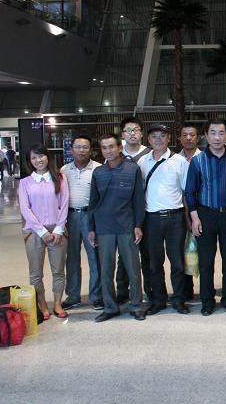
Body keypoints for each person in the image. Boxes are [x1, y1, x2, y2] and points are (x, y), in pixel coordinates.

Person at [185, 118, 226, 316]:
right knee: (206, 261)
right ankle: (207, 301)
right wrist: (195, 218)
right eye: (213, 133)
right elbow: (190, 191)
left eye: (221, 133)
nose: (217, 137)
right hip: (205, 215)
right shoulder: (198, 160)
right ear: (206, 136)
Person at [89, 134, 147, 322]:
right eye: (104, 148)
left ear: (119, 147)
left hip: (126, 226)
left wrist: (138, 225)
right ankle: (110, 307)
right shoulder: (98, 172)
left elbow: (138, 200)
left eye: (111, 147)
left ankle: (136, 305)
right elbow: (93, 202)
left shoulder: (132, 169)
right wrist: (91, 228)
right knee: (106, 270)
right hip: (104, 227)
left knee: (133, 269)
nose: (108, 151)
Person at [138, 123, 190, 315]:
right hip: (151, 219)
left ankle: (179, 299)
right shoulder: (142, 161)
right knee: (154, 262)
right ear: (148, 140)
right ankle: (158, 300)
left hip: (175, 218)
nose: (158, 139)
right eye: (154, 136)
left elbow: (186, 193)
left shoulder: (179, 161)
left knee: (177, 261)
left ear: (169, 138)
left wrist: (189, 219)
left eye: (162, 135)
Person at [18, 144, 69, 320]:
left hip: (58, 231)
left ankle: (57, 303)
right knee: (35, 273)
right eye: (34, 157)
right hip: (34, 232)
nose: (38, 160)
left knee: (58, 271)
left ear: (47, 157)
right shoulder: (25, 182)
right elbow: (25, 209)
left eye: (41, 156)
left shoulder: (60, 178)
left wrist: (58, 230)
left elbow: (64, 205)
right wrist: (42, 232)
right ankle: (42, 305)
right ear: (30, 161)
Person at [60, 136, 103, 311]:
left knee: (95, 258)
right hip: (70, 217)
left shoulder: (98, 169)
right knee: (71, 259)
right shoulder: (64, 170)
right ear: (71, 150)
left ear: (91, 150)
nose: (81, 150)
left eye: (85, 147)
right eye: (78, 147)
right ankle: (73, 296)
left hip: (90, 217)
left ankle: (97, 296)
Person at [116, 116, 151, 304]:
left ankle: (149, 291)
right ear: (122, 134)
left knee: (147, 253)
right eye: (128, 130)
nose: (132, 134)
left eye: (136, 130)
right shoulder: (115, 154)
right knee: (124, 254)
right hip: (124, 212)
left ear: (141, 133)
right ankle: (122, 290)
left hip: (147, 209)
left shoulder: (150, 153)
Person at [178, 123, 202, 299]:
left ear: (198, 138)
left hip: (202, 210)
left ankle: (206, 289)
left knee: (203, 250)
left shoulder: (204, 158)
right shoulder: (173, 159)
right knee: (182, 251)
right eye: (185, 135)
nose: (188, 138)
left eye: (192, 135)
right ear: (179, 138)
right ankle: (186, 289)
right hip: (180, 210)